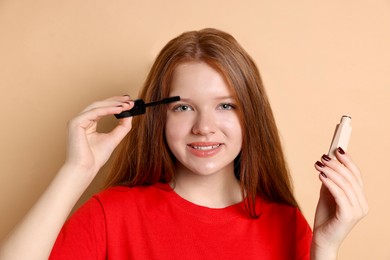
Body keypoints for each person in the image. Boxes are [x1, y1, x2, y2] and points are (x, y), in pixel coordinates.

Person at [0, 28, 368, 259]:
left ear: (250, 116)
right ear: (159, 115)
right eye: (183, 107)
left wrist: (326, 249)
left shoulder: (287, 224)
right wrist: (75, 171)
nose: (204, 127)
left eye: (225, 105)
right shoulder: (111, 215)